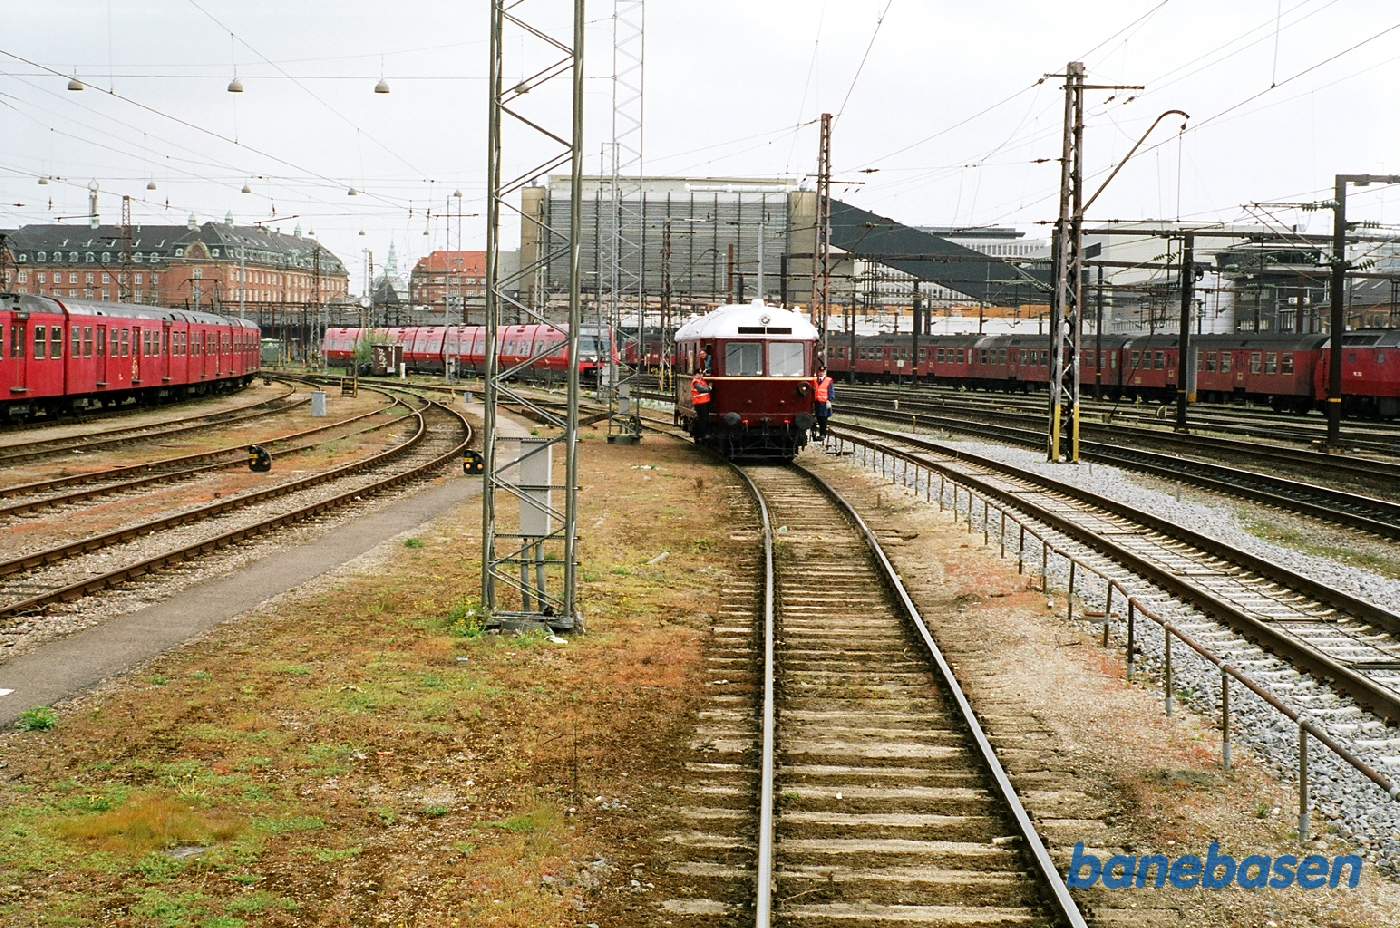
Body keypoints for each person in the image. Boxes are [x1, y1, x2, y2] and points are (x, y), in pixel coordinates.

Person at [691, 369, 713, 438]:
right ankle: (702, 434)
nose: (701, 375)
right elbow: (702, 390)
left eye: (701, 374)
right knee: (703, 419)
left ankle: (702, 434)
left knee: (704, 419)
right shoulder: (695, 382)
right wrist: (710, 388)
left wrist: (705, 372)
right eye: (699, 374)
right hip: (700, 403)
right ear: (696, 374)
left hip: (704, 402)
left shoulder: (701, 380)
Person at [813, 365, 834, 440]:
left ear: (825, 372)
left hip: (824, 403)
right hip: (817, 403)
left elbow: (831, 391)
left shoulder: (828, 380)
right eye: (820, 372)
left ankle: (823, 434)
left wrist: (829, 400)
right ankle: (820, 434)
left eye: (823, 372)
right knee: (818, 418)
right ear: (818, 372)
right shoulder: (815, 380)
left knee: (823, 420)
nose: (821, 373)